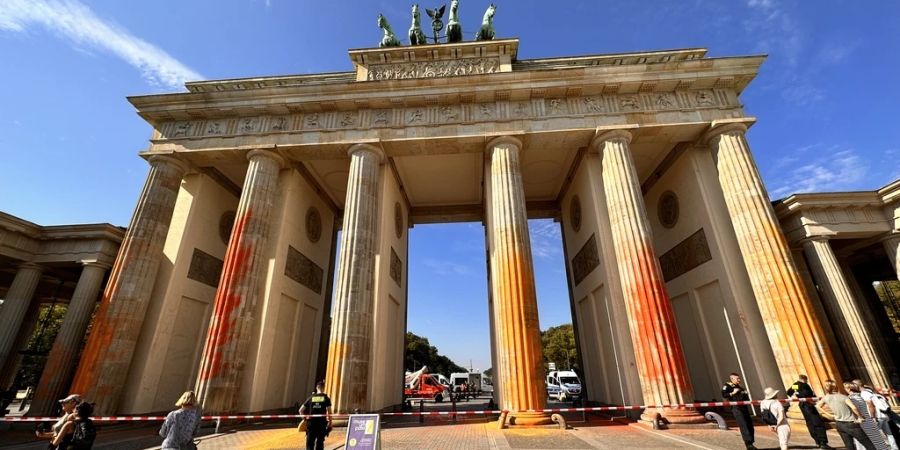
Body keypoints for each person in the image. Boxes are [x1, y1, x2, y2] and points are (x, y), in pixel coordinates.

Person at [817, 379, 877, 450]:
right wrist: (860, 417)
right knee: (869, 445)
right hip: (851, 423)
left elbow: (817, 406)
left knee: (849, 446)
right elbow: (854, 408)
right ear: (836, 387)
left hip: (839, 424)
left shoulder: (826, 397)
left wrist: (830, 415)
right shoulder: (844, 397)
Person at [787, 375, 832, 449]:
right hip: (809, 404)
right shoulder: (805, 385)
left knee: (809, 422)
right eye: (806, 380)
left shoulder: (796, 385)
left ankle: (817, 441)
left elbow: (789, 392)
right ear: (804, 379)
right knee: (817, 422)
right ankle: (823, 443)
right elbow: (807, 394)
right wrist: (813, 398)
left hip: (802, 404)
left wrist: (796, 396)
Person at [856, 381, 898, 450]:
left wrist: (873, 417)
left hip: (877, 416)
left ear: (857, 386)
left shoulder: (864, 393)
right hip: (884, 414)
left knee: (874, 434)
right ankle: (894, 448)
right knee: (889, 434)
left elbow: (870, 405)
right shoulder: (871, 391)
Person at [847, 382, 890, 450]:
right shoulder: (861, 395)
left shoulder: (851, 398)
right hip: (869, 419)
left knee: (865, 442)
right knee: (877, 438)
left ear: (849, 389)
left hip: (862, 421)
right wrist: (873, 417)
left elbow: (855, 410)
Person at [722, 373, 756, 450]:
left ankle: (751, 441)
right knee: (743, 425)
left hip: (744, 407)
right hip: (736, 408)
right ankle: (748, 444)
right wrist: (733, 392)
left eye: (739, 378)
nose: (739, 380)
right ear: (732, 379)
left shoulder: (740, 387)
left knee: (749, 424)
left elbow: (745, 396)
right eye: (737, 379)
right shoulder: (727, 386)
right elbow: (724, 394)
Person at [300, 381, 332, 450]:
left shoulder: (310, 398)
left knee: (310, 443)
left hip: (311, 423)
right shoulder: (326, 398)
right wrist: (330, 423)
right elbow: (329, 412)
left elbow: (300, 410)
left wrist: (305, 419)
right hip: (321, 424)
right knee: (320, 443)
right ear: (324, 388)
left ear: (317, 387)